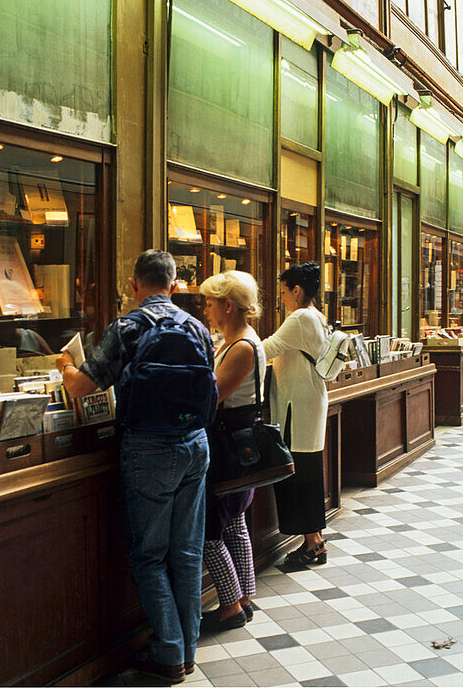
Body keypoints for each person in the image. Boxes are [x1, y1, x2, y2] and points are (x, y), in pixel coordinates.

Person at [57, 250, 216, 684]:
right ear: (174, 284)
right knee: (186, 552)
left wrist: (66, 365)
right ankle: (187, 649)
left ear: (134, 285)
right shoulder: (198, 327)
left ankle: (168, 653)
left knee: (148, 556)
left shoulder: (127, 327)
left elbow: (83, 385)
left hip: (148, 449)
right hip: (196, 444)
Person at [197, 271, 264, 633]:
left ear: (228, 305)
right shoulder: (234, 342)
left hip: (230, 447)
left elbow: (213, 396)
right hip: (239, 446)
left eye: (209, 303)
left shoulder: (241, 347)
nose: (205, 310)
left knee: (210, 529)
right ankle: (244, 598)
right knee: (235, 523)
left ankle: (229, 606)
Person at [261, 263, 329, 570]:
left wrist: (227, 351)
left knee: (300, 476)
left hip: (297, 408)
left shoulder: (300, 317)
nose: (282, 298)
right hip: (307, 404)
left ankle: (313, 543)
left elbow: (268, 347)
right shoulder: (317, 316)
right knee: (307, 474)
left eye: (283, 292)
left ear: (297, 291)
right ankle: (314, 541)